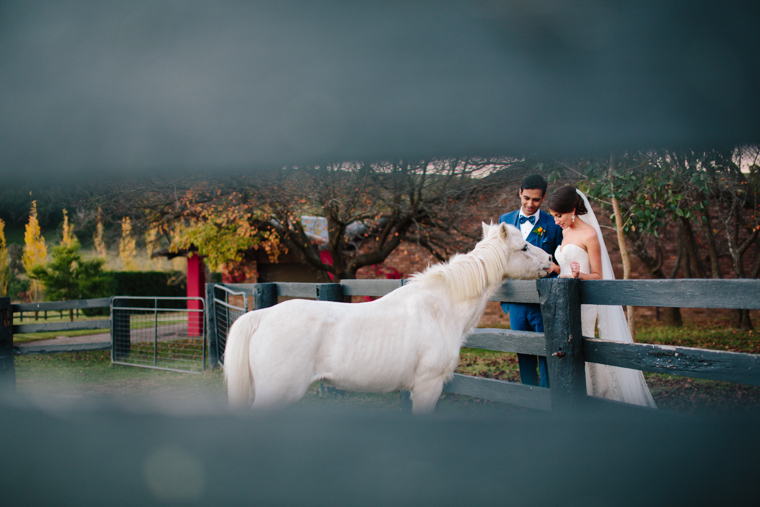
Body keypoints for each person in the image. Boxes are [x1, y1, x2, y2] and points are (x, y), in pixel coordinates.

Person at [547, 185, 656, 407]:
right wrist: (555, 269)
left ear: (572, 210)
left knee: (580, 343)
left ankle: (591, 396)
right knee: (564, 346)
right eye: (554, 216)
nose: (556, 221)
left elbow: (598, 276)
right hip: (563, 298)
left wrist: (579, 275)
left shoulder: (589, 234)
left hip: (584, 302)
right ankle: (571, 397)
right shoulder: (565, 231)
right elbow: (566, 268)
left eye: (559, 216)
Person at [499, 175, 563, 388]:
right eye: (526, 198)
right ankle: (530, 400)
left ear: (543, 197)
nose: (530, 204)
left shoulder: (553, 225)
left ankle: (547, 399)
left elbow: (558, 261)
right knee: (523, 354)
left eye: (536, 200)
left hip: (542, 301)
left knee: (546, 353)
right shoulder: (504, 221)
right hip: (515, 301)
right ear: (520, 193)